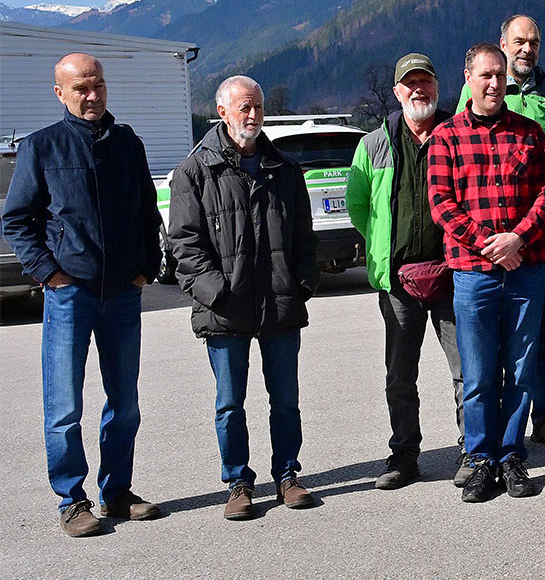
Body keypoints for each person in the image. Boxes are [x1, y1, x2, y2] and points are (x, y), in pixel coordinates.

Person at [3, 53, 165, 536]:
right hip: (69, 293)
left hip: (122, 294)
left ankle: (116, 492)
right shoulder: (42, 147)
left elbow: (146, 211)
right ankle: (72, 501)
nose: (92, 95)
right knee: (63, 405)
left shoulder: (127, 142)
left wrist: (145, 268)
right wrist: (49, 274)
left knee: (124, 401)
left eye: (98, 85)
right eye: (80, 89)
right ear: (60, 93)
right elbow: (17, 220)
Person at [168, 75, 319, 520]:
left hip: (279, 304)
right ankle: (237, 482)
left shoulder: (285, 170)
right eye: (243, 108)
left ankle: (288, 475)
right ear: (222, 112)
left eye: (257, 107)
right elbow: (183, 244)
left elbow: (304, 240)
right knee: (230, 403)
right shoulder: (194, 171)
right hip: (225, 309)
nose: (251, 116)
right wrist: (216, 292)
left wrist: (302, 283)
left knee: (286, 399)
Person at [430, 43, 545, 503]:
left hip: (525, 269)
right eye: (485, 75)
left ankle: (511, 455)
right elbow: (442, 204)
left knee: (522, 368)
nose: (494, 83)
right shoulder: (446, 137)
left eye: (500, 75)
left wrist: (517, 239)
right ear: (468, 78)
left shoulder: (530, 133)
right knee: (480, 372)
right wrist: (491, 244)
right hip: (473, 273)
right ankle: (480, 458)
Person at [345, 53, 463, 490]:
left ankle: (471, 451)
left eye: (426, 83)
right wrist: (382, 244)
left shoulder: (457, 134)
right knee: (400, 375)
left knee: (465, 370)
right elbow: (358, 204)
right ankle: (404, 456)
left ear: (437, 87)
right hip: (398, 281)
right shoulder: (373, 144)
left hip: (454, 275)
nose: (419, 90)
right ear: (397, 93)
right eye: (410, 84)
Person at [459, 15, 545, 447]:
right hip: (486, 242)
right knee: (490, 341)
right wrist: (487, 240)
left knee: (543, 330)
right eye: (520, 41)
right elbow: (458, 167)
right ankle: (486, 435)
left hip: (541, 232)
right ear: (503, 43)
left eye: (535, 42)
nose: (528, 49)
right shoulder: (476, 94)